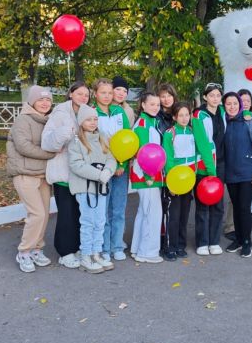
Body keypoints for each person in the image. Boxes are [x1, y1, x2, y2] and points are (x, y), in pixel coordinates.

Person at [41, 81, 90, 269]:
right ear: (71, 94)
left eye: (86, 95)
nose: (83, 97)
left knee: (79, 213)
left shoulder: (87, 114)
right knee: (66, 213)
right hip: (64, 173)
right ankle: (65, 251)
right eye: (79, 94)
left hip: (81, 173)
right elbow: (47, 142)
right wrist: (64, 133)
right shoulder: (60, 113)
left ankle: (76, 246)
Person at [7, 86, 56, 273]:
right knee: (37, 214)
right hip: (24, 174)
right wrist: (50, 154)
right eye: (41, 100)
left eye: (48, 100)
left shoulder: (48, 121)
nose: (45, 103)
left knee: (44, 214)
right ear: (32, 101)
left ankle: (37, 249)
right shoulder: (23, 120)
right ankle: (24, 251)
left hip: (43, 175)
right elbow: (23, 147)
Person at [162, 102, 216, 260]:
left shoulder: (193, 132)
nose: (185, 118)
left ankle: (180, 245)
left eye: (187, 115)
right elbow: (168, 159)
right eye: (181, 115)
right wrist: (172, 182)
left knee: (185, 214)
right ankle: (170, 247)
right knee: (174, 214)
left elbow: (199, 154)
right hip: (175, 180)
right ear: (174, 117)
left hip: (190, 179)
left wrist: (211, 172)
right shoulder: (170, 133)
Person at [68, 105, 117, 274]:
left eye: (95, 119)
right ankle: (86, 254)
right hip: (86, 188)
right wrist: (98, 174)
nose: (92, 122)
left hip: (101, 187)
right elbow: (77, 165)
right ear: (81, 121)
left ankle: (96, 251)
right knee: (88, 222)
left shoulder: (102, 138)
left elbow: (111, 158)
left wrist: (108, 171)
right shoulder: (76, 141)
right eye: (89, 119)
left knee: (100, 221)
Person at [222, 92, 252, 257]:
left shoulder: (250, 121)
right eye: (228, 104)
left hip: (247, 173)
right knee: (236, 206)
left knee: (243, 207)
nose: (232, 106)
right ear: (224, 106)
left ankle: (247, 242)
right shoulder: (224, 122)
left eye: (235, 103)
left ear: (240, 105)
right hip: (230, 173)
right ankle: (239, 239)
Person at [92, 78, 131, 262]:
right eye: (103, 93)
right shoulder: (92, 113)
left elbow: (126, 140)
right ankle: (104, 247)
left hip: (120, 169)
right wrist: (107, 167)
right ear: (96, 94)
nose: (107, 96)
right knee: (103, 211)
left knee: (118, 209)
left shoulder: (119, 112)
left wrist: (121, 164)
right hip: (102, 169)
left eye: (109, 93)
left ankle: (117, 245)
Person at [129, 91, 164, 264]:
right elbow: (143, 152)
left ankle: (137, 248)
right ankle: (147, 252)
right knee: (153, 212)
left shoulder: (151, 121)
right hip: (146, 174)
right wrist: (149, 174)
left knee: (144, 212)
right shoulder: (143, 124)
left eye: (157, 104)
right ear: (143, 105)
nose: (156, 107)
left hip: (149, 173)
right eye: (152, 104)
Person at [192, 83, 227, 255]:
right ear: (205, 97)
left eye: (218, 95)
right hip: (204, 167)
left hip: (220, 164)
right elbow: (202, 144)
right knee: (203, 205)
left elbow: (243, 110)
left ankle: (214, 241)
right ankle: (202, 242)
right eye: (211, 95)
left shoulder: (223, 112)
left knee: (218, 205)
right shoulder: (198, 115)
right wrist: (211, 170)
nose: (215, 98)